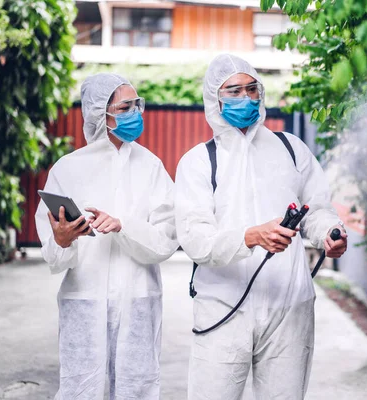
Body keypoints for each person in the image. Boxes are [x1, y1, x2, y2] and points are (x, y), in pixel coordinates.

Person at [174, 54, 348, 400]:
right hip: (223, 307)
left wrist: (330, 232)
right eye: (234, 91)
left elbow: (316, 209)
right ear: (215, 99)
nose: (246, 97)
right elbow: (195, 240)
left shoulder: (289, 148)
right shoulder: (198, 162)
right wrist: (251, 236)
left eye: (252, 89)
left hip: (289, 305)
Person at [35, 73, 178, 400]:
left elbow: (167, 238)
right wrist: (62, 240)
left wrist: (123, 225)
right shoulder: (67, 169)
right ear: (101, 113)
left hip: (139, 299)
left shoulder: (151, 166)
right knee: (81, 387)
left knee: (138, 387)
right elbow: (53, 254)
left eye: (137, 105)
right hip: (84, 299)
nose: (136, 114)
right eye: (126, 107)